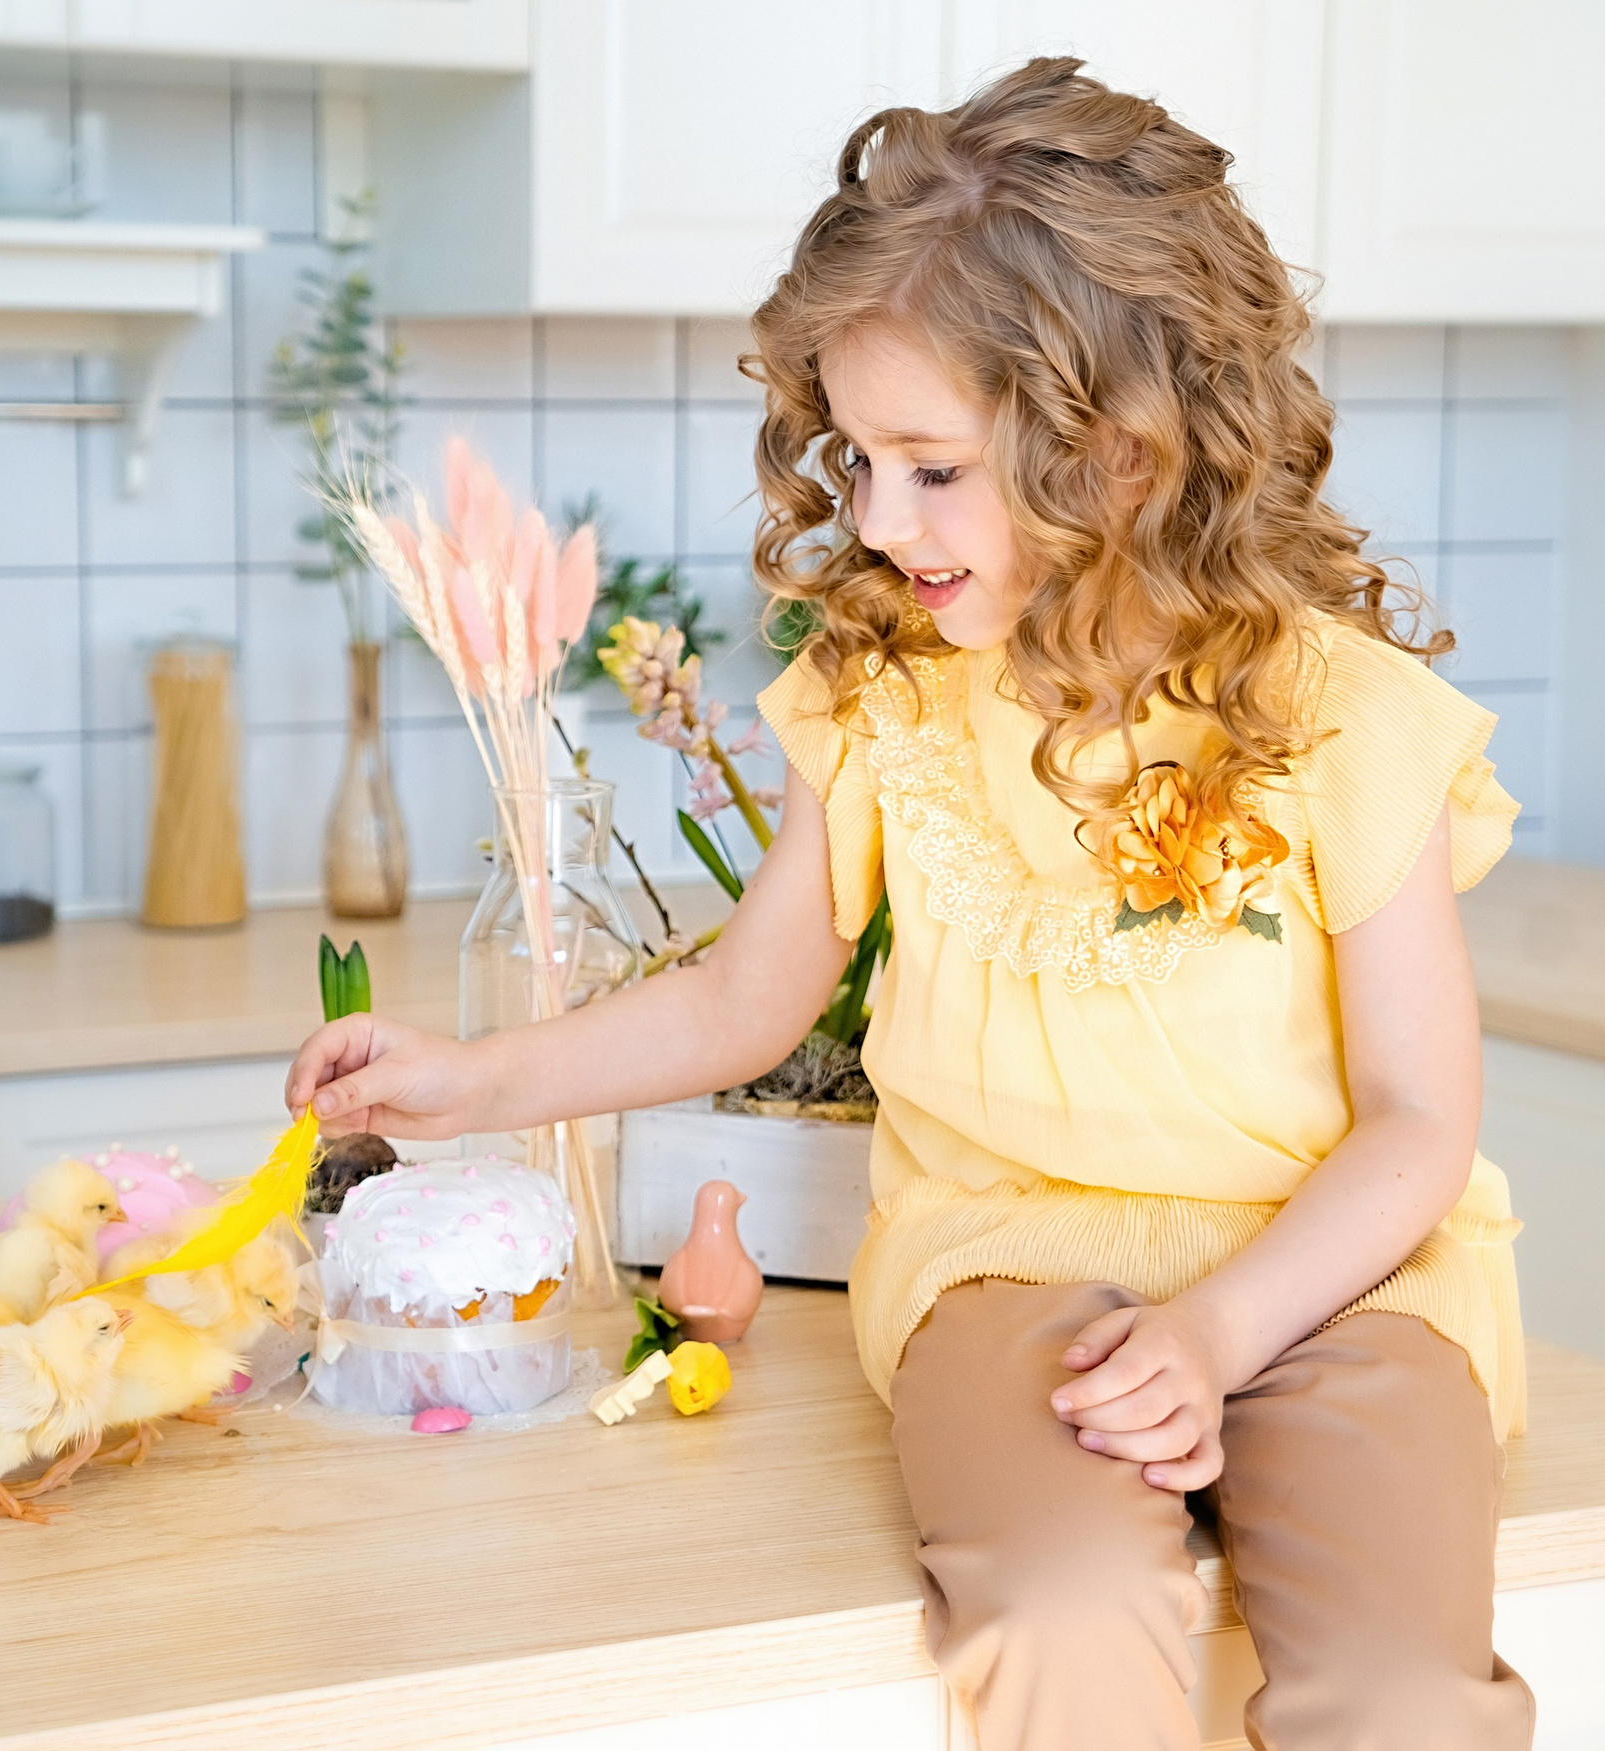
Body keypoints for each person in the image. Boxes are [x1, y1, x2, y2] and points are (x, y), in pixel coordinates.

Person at [286, 58, 1533, 1751]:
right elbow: (746, 1003)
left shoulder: (1343, 712)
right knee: (1065, 1612)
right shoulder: (884, 691)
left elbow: (1415, 1125)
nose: (876, 518)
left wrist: (1222, 1327)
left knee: (1396, 1691)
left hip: (1338, 1284)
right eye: (854, 456)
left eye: (931, 468)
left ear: (1122, 457)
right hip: (1005, 1271)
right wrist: (472, 1082)